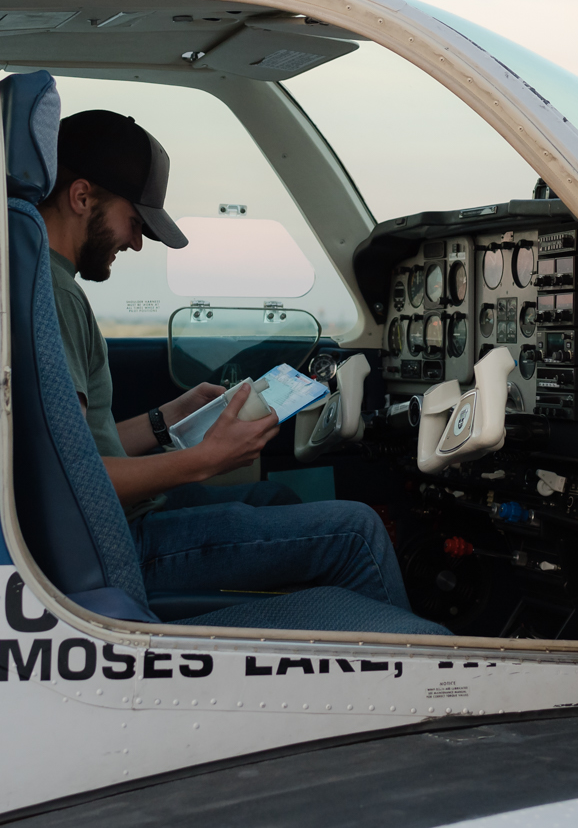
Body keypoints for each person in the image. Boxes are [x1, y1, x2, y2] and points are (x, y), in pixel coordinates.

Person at [38, 108, 414, 613]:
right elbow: (74, 480)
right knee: (358, 532)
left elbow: (75, 450)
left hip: (115, 524)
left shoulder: (47, 283)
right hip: (119, 542)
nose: (134, 241)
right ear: (82, 197)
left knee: (277, 500)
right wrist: (203, 460)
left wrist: (169, 416)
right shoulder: (56, 296)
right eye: (134, 221)